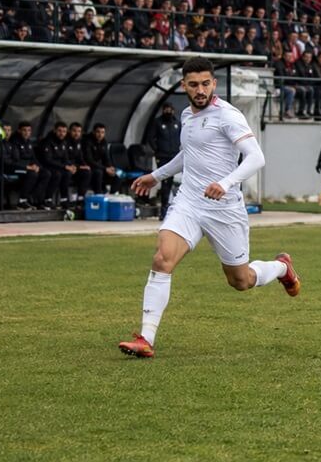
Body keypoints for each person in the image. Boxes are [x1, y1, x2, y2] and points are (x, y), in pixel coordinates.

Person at [121, 56, 299, 358]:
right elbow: (186, 155)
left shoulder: (227, 116)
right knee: (163, 258)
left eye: (205, 83)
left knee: (240, 281)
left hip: (225, 209)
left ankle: (282, 267)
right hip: (189, 202)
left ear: (214, 84)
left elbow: (256, 157)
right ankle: (145, 338)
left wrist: (226, 183)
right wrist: (156, 176)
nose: (200, 89)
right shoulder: (187, 116)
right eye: (193, 85)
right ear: (184, 86)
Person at [148, 103, 181, 219]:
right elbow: (151, 138)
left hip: (175, 156)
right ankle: (164, 210)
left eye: (170, 109)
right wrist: (157, 150)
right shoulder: (157, 122)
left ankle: (171, 209)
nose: (168, 111)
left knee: (171, 181)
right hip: (162, 156)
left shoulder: (177, 123)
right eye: (166, 109)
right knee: (164, 181)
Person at [4, 122, 42, 209]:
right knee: (32, 174)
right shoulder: (13, 142)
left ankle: (35, 199)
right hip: (12, 168)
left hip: (22, 167)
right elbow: (14, 160)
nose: (26, 132)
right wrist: (27, 167)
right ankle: (22, 201)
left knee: (46, 173)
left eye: (29, 130)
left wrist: (37, 166)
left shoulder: (28, 142)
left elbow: (33, 158)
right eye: (24, 130)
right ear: (19, 131)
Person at [83, 124, 118, 193]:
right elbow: (89, 160)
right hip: (89, 166)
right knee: (98, 173)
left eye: (102, 132)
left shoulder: (104, 142)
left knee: (118, 174)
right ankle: (98, 195)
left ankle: (112, 195)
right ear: (93, 132)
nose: (100, 135)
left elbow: (106, 157)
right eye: (98, 132)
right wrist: (105, 169)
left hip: (99, 166)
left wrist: (110, 167)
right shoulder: (87, 141)